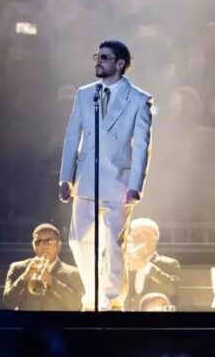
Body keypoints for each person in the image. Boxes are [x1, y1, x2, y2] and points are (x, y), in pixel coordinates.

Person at [59, 40, 153, 311]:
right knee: (79, 241)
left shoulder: (139, 99)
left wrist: (136, 184)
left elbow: (141, 145)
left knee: (113, 243)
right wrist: (66, 177)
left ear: (120, 64)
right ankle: (93, 295)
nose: (98, 62)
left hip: (119, 181)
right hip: (86, 179)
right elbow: (72, 136)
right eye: (97, 57)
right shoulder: (85, 94)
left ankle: (112, 301)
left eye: (105, 58)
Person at [3, 223, 83, 311]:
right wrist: (25, 276)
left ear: (59, 245)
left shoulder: (73, 273)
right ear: (33, 245)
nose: (43, 246)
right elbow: (9, 302)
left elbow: (78, 306)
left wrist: (53, 282)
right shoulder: (17, 268)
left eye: (50, 241)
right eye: (38, 242)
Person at [125, 218, 180, 312]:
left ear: (154, 239)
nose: (134, 239)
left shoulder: (169, 263)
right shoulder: (127, 266)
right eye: (133, 235)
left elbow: (172, 290)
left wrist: (145, 265)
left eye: (140, 235)